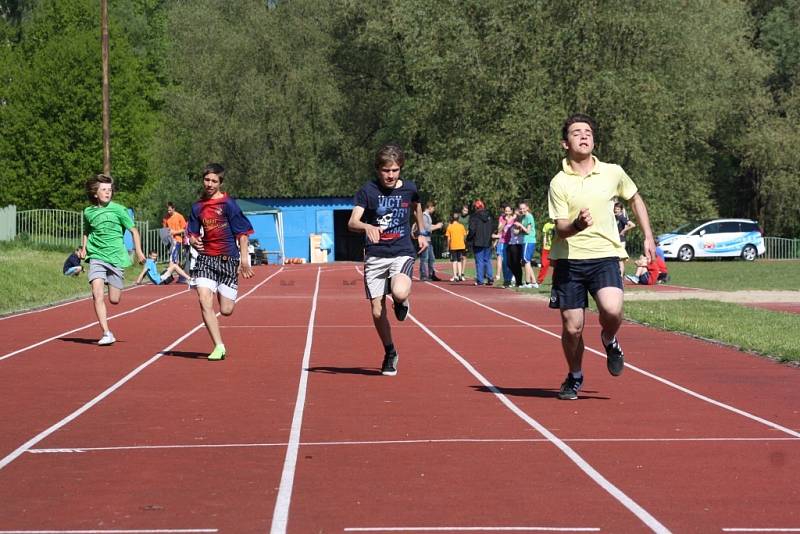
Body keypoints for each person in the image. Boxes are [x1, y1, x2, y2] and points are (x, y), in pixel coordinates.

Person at [547, 113, 656, 400]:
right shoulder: (559, 182)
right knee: (573, 328)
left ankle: (608, 338)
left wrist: (647, 235)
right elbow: (560, 229)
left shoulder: (613, 172)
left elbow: (635, 198)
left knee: (611, 309)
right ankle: (575, 376)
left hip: (606, 255)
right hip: (570, 261)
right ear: (564, 143)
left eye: (588, 132)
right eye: (576, 132)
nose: (583, 136)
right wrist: (578, 225)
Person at [348, 144, 428, 376]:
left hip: (401, 250)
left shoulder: (409, 188)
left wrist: (421, 232)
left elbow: (417, 205)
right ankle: (390, 352)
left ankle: (401, 302)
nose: (390, 175)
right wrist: (366, 226)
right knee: (376, 310)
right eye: (386, 170)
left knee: (400, 292)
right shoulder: (368, 191)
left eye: (395, 170)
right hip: (375, 255)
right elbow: (352, 222)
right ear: (378, 169)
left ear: (400, 168)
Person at [186, 163, 254, 361]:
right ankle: (219, 346)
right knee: (203, 299)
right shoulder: (197, 207)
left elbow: (242, 234)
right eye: (207, 180)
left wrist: (244, 260)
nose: (209, 184)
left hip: (228, 260)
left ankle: (222, 290)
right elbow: (191, 232)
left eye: (214, 181)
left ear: (220, 183)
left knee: (226, 310)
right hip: (206, 259)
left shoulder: (228, 205)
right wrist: (192, 239)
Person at [79, 174, 145, 345]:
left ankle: (109, 280)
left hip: (116, 257)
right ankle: (106, 332)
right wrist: (84, 247)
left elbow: (134, 231)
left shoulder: (119, 210)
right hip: (97, 256)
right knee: (97, 294)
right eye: (104, 190)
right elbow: (86, 231)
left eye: (110, 190)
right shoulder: (88, 212)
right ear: (95, 193)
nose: (108, 193)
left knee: (114, 300)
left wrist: (138, 252)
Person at [467, 200, 495, 285]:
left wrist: (469, 238)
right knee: (487, 260)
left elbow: (472, 229)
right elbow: (494, 227)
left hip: (478, 241)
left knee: (479, 261)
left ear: (476, 207)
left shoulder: (474, 217)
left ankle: (480, 280)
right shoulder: (489, 216)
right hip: (488, 240)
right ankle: (490, 278)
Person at [418, 201, 443, 281]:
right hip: (424, 239)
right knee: (425, 258)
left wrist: (435, 225)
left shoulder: (428, 216)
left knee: (431, 258)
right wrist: (437, 226)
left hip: (429, 239)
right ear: (430, 207)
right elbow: (426, 228)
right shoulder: (424, 216)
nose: (434, 209)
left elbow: (429, 225)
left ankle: (431, 274)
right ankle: (423, 275)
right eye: (433, 207)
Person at [163, 201, 188, 273]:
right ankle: (182, 276)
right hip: (169, 241)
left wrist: (175, 232)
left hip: (177, 240)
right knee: (175, 259)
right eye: (167, 210)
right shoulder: (165, 217)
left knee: (172, 258)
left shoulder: (180, 216)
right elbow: (164, 229)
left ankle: (167, 275)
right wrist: (166, 236)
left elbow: (184, 229)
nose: (168, 211)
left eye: (170, 210)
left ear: (174, 209)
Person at [519, 202, 540, 288]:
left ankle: (527, 283)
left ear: (527, 208)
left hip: (529, 240)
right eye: (520, 208)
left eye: (523, 208)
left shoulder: (529, 217)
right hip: (525, 241)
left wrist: (520, 225)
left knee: (526, 261)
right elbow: (522, 231)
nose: (522, 210)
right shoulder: (523, 217)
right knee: (527, 261)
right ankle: (534, 283)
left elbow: (528, 231)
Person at [505, 206, 525, 288]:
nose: (515, 215)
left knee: (516, 264)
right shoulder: (513, 221)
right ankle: (517, 279)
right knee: (509, 263)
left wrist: (517, 224)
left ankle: (519, 281)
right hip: (510, 243)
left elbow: (516, 232)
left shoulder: (520, 221)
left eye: (517, 214)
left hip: (517, 244)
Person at [615, 201, 636, 276]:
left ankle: (620, 277)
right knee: (617, 260)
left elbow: (633, 225)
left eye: (617, 209)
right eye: (615, 209)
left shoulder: (621, 217)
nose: (615, 210)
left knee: (620, 260)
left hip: (621, 241)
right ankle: (621, 275)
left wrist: (623, 231)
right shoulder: (616, 217)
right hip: (617, 241)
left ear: (621, 210)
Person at [445, 212, 467, 281]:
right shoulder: (461, 226)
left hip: (453, 246)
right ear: (458, 219)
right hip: (461, 245)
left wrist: (448, 246)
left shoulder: (450, 226)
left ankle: (455, 276)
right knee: (459, 260)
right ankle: (460, 275)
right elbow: (464, 236)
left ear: (452, 219)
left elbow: (448, 238)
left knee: (454, 261)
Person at [495, 205, 514, 285]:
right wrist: (505, 222)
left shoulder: (514, 219)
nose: (507, 213)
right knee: (502, 260)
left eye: (508, 211)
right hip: (502, 241)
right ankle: (500, 276)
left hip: (512, 242)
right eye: (506, 211)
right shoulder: (501, 218)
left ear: (511, 211)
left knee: (511, 260)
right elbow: (499, 230)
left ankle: (512, 276)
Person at [537, 219, 556, 285]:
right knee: (544, 264)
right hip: (547, 248)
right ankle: (539, 280)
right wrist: (544, 246)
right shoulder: (546, 225)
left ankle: (555, 282)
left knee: (556, 266)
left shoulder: (558, 225)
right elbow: (545, 236)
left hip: (555, 248)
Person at [458, 205, 470, 279]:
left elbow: (469, 227)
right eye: (464, 210)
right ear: (462, 210)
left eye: (467, 211)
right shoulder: (458, 217)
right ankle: (457, 273)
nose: (465, 212)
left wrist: (467, 233)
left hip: (465, 239)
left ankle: (462, 273)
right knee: (458, 256)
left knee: (464, 256)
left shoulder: (469, 217)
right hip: (458, 238)